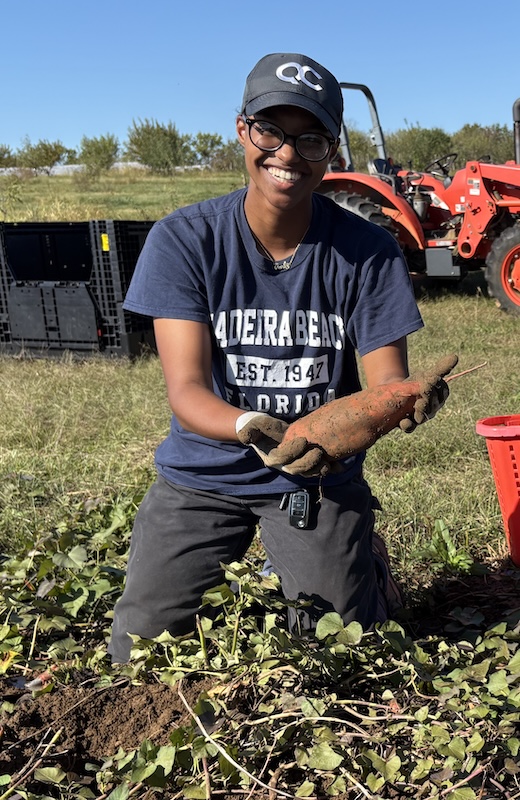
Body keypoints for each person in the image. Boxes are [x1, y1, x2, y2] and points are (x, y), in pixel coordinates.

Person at [108, 52, 442, 664]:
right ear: (243, 129)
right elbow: (184, 390)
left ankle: (362, 559)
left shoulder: (368, 252)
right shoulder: (186, 240)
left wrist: (402, 399)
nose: (287, 154)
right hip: (205, 472)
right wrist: (249, 427)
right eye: (271, 131)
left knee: (339, 656)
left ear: (332, 151)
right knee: (140, 655)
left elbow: (384, 379)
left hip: (316, 474)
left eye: (310, 139)